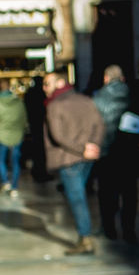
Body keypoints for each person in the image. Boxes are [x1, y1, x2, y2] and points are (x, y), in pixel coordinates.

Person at [42, 71, 104, 255]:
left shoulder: (54, 105)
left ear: (60, 83)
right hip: (87, 158)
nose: (44, 88)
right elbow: (100, 125)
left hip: (69, 159)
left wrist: (82, 149)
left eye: (47, 83)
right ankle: (85, 236)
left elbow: (58, 136)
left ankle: (85, 239)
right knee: (80, 196)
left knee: (77, 199)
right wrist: (93, 146)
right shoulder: (86, 100)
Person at [92, 64, 139, 243]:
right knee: (129, 194)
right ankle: (129, 230)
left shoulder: (98, 97)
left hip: (106, 152)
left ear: (105, 78)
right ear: (123, 78)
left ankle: (109, 228)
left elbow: (93, 125)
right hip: (128, 152)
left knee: (106, 194)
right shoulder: (133, 95)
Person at [0, 78, 28, 196]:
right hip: (17, 134)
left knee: (1, 160)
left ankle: (5, 182)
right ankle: (14, 186)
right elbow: (24, 117)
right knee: (15, 161)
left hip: (1, 134)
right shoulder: (18, 101)